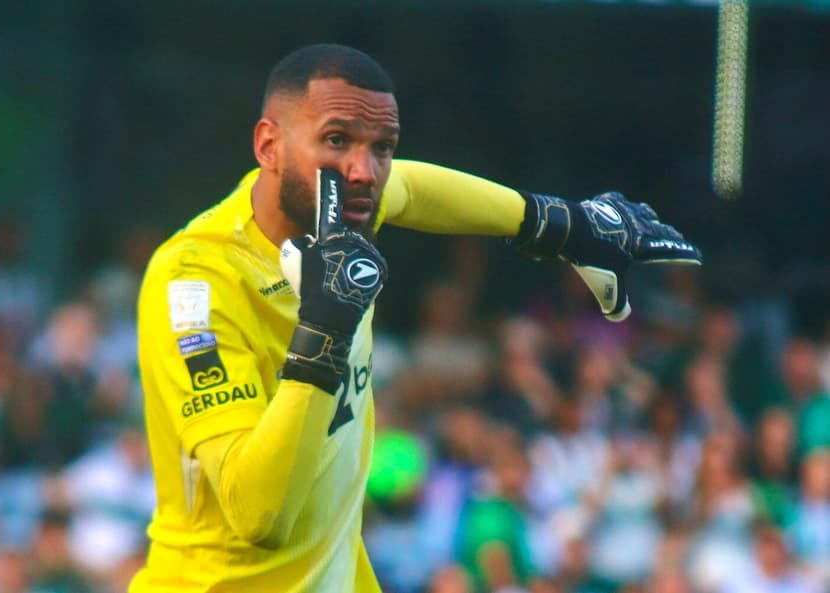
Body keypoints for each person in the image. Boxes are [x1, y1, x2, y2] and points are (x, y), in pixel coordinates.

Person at [129, 43, 701, 593]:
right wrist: (324, 332)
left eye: (383, 147)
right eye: (337, 140)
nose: (364, 170)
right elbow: (259, 516)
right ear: (268, 146)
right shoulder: (196, 282)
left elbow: (414, 188)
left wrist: (558, 223)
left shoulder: (343, 210)